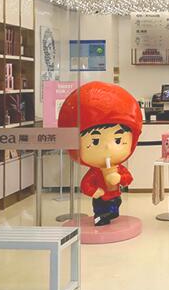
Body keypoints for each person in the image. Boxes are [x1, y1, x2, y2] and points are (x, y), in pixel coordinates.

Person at [58, 82, 143, 226]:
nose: (108, 146)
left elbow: (128, 178)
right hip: (100, 198)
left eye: (118, 140)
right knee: (100, 212)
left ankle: (104, 217)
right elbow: (86, 184)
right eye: (95, 141)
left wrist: (119, 178)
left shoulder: (118, 168)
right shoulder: (95, 172)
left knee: (114, 210)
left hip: (114, 196)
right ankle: (99, 218)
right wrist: (95, 191)